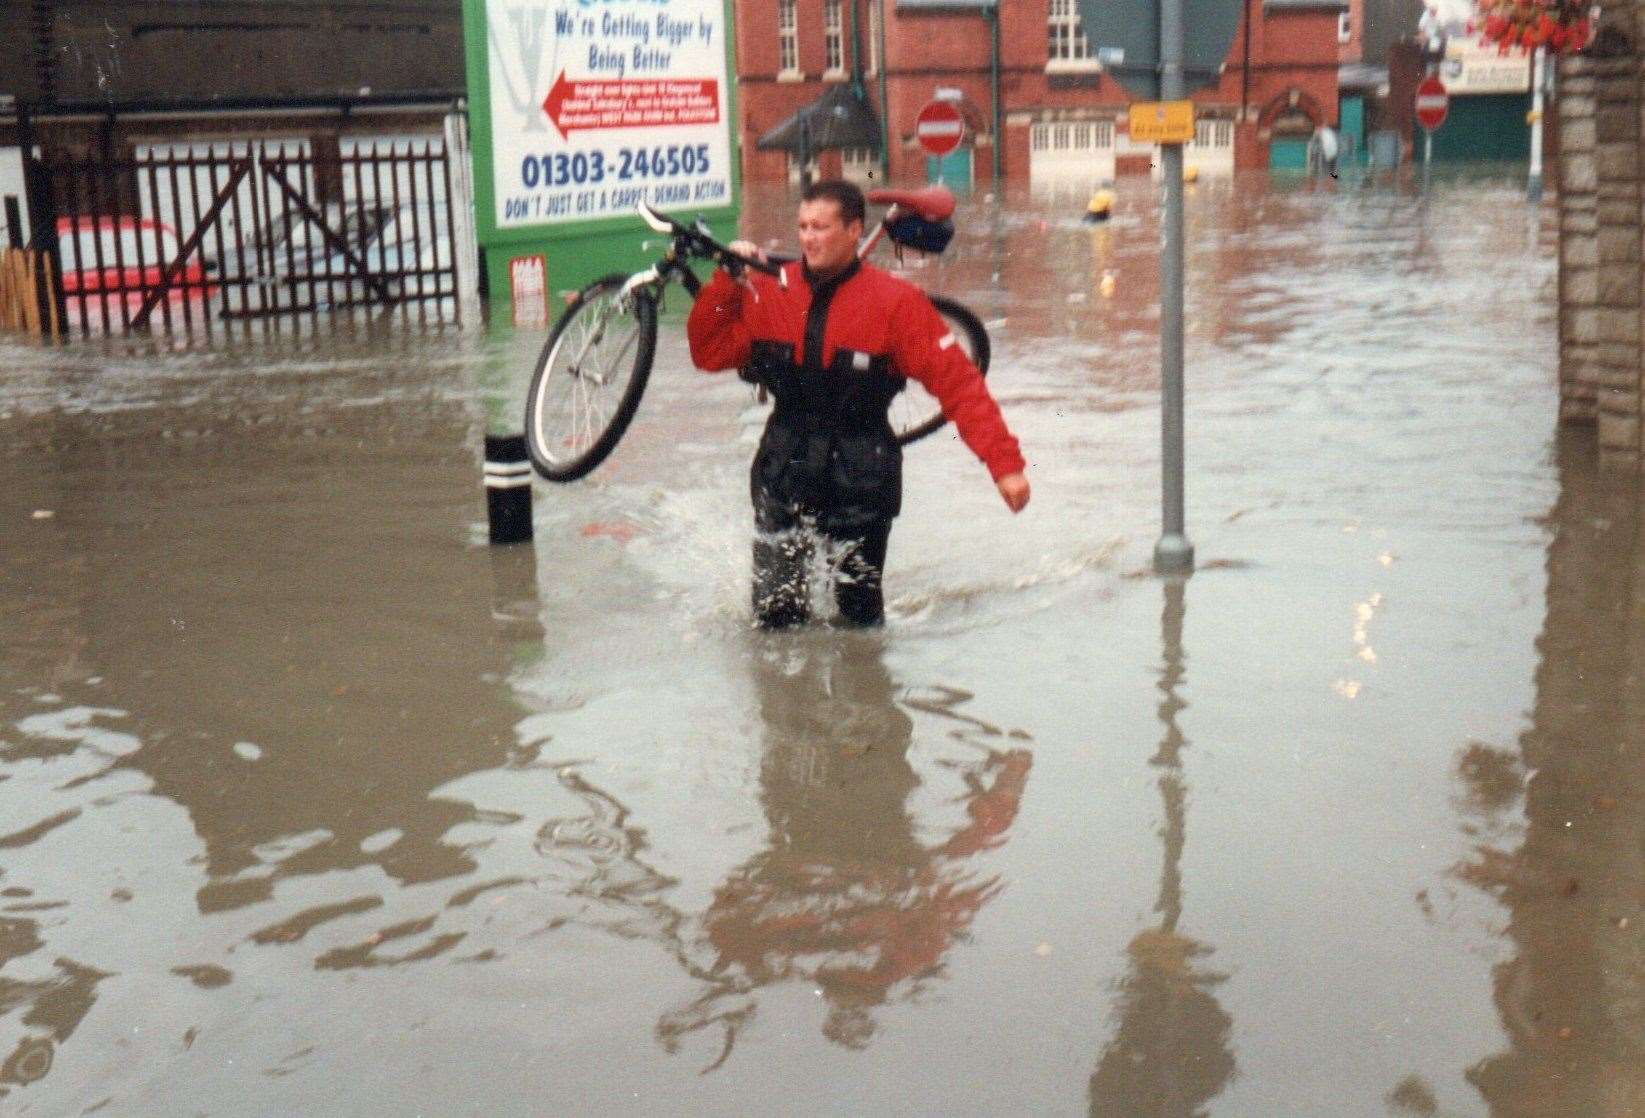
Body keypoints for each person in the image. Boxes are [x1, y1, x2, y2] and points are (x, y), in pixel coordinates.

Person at [686, 180, 1030, 629]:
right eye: (803, 227)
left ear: (853, 231)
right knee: (773, 622)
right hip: (784, 463)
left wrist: (1005, 465)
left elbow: (960, 386)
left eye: (821, 227)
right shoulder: (769, 289)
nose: (808, 238)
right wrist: (726, 282)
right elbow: (707, 351)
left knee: (858, 625)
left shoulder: (897, 304)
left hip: (861, 472)